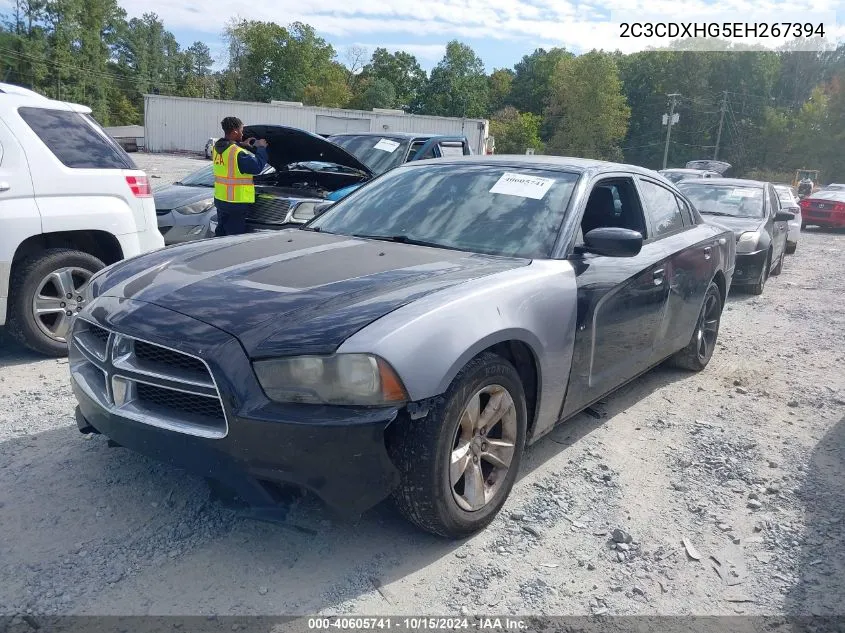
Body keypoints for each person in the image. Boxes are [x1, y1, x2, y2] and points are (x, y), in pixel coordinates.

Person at [211, 116, 269, 237]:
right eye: (241, 130)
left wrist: (242, 145)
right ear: (235, 131)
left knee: (220, 234)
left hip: (221, 199)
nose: (243, 134)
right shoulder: (237, 152)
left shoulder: (218, 147)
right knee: (233, 238)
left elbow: (230, 149)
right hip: (236, 203)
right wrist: (261, 148)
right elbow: (257, 167)